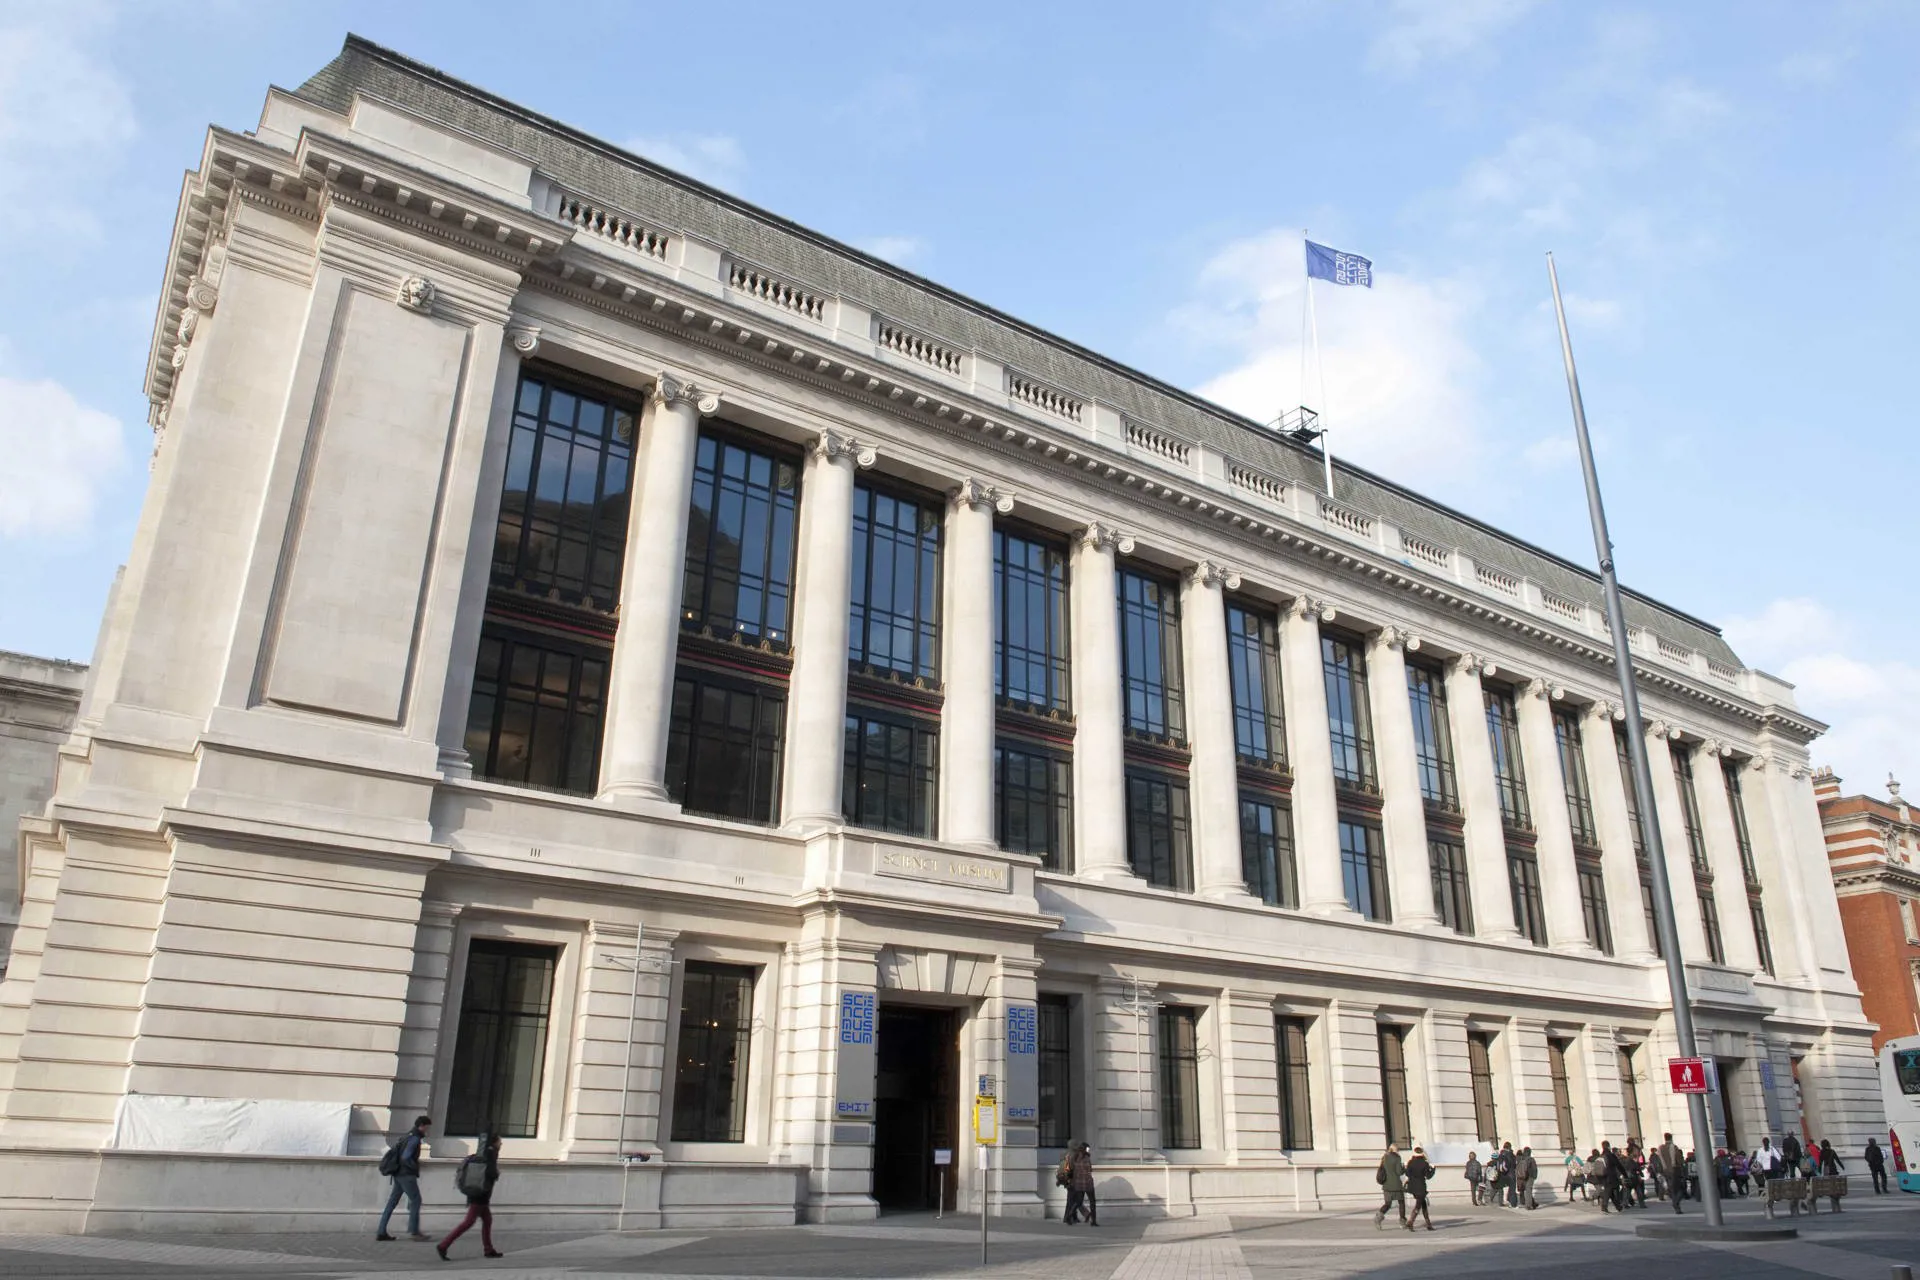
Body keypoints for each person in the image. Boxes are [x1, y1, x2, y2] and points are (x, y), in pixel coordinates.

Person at [437, 1132, 504, 1261]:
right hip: (480, 1195)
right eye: (499, 1141)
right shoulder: (490, 1154)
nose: (501, 1144)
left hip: (480, 1194)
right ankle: (443, 1245)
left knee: (487, 1220)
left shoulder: (484, 1152)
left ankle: (488, 1249)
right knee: (468, 1222)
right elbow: (490, 1172)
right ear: (494, 1142)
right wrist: (496, 1173)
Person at [376, 1114, 432, 1242]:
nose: (427, 1130)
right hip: (407, 1175)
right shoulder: (415, 1139)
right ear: (421, 1126)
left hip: (398, 1174)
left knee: (392, 1202)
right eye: (427, 1128)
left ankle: (381, 1231)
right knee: (416, 1200)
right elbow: (406, 1157)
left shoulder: (407, 1136)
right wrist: (413, 1166)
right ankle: (414, 1231)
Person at [1373, 1143, 1407, 1229]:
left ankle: (1378, 1218)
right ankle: (1402, 1223)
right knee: (1401, 1203)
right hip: (1396, 1185)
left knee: (1387, 1204)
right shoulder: (1397, 1157)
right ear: (1396, 1149)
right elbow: (1399, 1172)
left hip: (1386, 1185)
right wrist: (1404, 1168)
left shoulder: (1384, 1157)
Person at [1065, 1141, 1098, 1226]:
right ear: (1084, 1149)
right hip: (1088, 1183)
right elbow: (1090, 1169)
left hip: (1079, 1183)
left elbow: (1070, 1169)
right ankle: (1093, 1221)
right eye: (1088, 1148)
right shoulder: (1086, 1157)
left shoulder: (1075, 1157)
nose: (1088, 1150)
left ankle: (1069, 1216)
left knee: (1079, 1201)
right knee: (1092, 1202)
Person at [1403, 1146, 1436, 1231]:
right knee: (1418, 1205)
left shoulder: (1410, 1162)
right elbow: (1428, 1176)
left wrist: (1406, 1167)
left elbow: (1407, 1174)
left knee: (1423, 1204)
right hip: (1420, 1187)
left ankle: (1428, 1224)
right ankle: (1410, 1222)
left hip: (1412, 1187)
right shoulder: (1424, 1163)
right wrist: (1433, 1169)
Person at [1655, 1133, 1686, 1214]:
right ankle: (1676, 1203)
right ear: (1671, 1138)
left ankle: (1676, 1205)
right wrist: (1682, 1166)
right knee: (1680, 1189)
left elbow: (1658, 1161)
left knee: (1672, 1189)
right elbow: (1679, 1159)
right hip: (1675, 1170)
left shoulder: (1661, 1148)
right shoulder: (1673, 1147)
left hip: (1665, 1171)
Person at [1517, 1146, 1538, 1210]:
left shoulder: (1520, 1159)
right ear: (1529, 1152)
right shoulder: (1531, 1159)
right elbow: (1534, 1169)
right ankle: (1528, 1205)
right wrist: (1535, 1176)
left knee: (1527, 1190)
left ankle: (1533, 1203)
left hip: (1522, 1176)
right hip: (1529, 1176)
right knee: (1529, 1190)